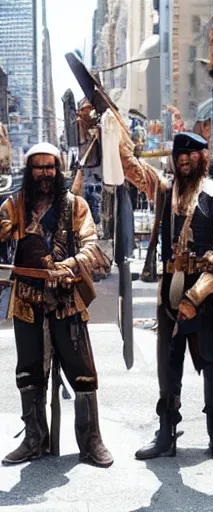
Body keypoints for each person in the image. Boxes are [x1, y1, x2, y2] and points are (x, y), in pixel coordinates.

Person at [119, 131, 213, 461]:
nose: (184, 158)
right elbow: (130, 166)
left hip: (207, 291)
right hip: (170, 290)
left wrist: (196, 295)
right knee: (167, 366)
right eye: (179, 154)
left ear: (204, 157)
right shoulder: (164, 189)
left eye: (191, 153)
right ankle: (165, 432)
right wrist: (106, 124)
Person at [1, 143, 113, 467]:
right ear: (29, 171)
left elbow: (93, 246)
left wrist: (71, 265)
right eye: (39, 167)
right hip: (27, 300)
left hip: (66, 299)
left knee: (83, 372)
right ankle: (34, 438)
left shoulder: (75, 206)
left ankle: (91, 442)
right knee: (29, 372)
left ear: (58, 170)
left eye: (50, 167)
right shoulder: (14, 206)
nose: (45, 173)